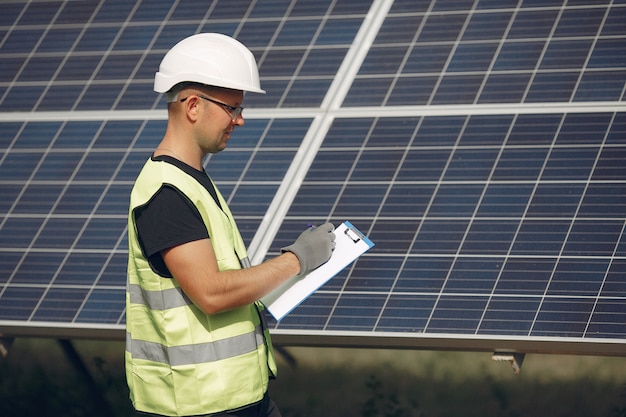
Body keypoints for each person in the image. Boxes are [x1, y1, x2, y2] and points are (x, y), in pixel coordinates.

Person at [125, 33, 336, 417]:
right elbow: (212, 293)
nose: (240, 119)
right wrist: (296, 260)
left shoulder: (192, 182)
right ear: (192, 106)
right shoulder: (166, 195)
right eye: (231, 107)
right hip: (198, 404)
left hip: (236, 398)